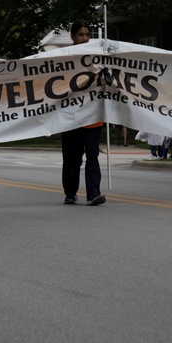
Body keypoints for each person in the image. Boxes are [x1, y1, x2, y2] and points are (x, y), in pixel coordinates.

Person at [62, 21, 106, 206]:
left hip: (92, 118)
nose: (85, 38)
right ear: (72, 36)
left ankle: (93, 192)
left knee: (93, 156)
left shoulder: (98, 58)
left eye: (88, 35)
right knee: (72, 158)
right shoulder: (63, 58)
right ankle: (70, 192)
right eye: (81, 34)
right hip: (70, 118)